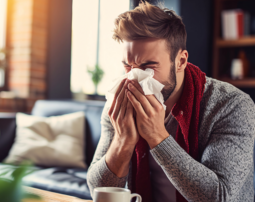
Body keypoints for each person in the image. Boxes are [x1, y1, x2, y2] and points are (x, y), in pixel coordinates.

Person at [86, 1, 255, 202]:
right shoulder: (119, 103)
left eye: (148, 67)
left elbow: (218, 196)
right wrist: (122, 141)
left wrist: (158, 137)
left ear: (181, 61)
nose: (135, 78)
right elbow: (97, 190)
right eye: (128, 66)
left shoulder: (231, 105)